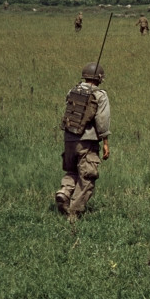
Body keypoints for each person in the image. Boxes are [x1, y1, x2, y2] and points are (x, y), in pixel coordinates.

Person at [55, 62, 111, 218]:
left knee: (72, 170)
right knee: (87, 177)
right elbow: (102, 120)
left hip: (69, 139)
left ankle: (64, 192)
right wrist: (105, 142)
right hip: (87, 142)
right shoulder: (100, 95)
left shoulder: (72, 91)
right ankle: (74, 213)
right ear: (99, 78)